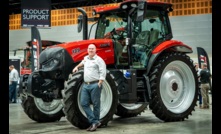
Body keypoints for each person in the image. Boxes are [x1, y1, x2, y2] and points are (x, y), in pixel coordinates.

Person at [72, 44, 106, 131]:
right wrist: (77, 67)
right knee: (83, 103)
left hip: (95, 84)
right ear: (87, 50)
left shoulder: (99, 60)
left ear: (95, 50)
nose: (91, 50)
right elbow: (82, 63)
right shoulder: (86, 58)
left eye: (92, 49)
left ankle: (94, 123)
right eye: (89, 49)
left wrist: (100, 82)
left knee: (96, 104)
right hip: (86, 85)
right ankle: (95, 121)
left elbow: (103, 70)